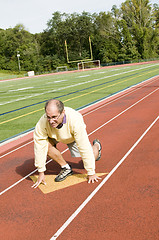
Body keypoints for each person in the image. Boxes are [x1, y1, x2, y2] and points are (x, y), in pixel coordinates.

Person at [32, 99, 102, 189]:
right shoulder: (42, 123)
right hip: (54, 136)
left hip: (72, 136)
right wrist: (41, 172)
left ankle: (97, 146)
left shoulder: (75, 120)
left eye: (54, 117)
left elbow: (84, 146)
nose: (51, 121)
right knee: (45, 146)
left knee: (89, 159)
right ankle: (66, 168)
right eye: (48, 117)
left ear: (63, 112)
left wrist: (91, 172)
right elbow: (39, 146)